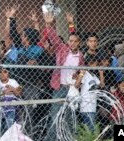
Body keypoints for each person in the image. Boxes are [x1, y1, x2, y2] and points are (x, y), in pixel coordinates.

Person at [40, 12, 84, 141]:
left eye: (76, 41)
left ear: (79, 43)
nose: (73, 43)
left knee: (69, 117)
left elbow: (82, 70)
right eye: (70, 41)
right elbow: (54, 38)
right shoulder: (62, 49)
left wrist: (78, 78)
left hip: (71, 90)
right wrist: (48, 24)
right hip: (60, 88)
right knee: (55, 116)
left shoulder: (81, 55)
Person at [75, 55, 103, 131]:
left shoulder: (94, 76)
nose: (96, 65)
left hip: (93, 107)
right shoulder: (85, 74)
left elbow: (102, 85)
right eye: (95, 64)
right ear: (90, 64)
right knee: (92, 130)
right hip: (86, 107)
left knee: (90, 130)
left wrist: (101, 73)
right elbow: (76, 85)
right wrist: (81, 74)